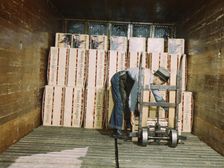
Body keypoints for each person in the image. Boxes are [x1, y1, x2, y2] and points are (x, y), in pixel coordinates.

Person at [109, 67, 170, 138]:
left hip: (129, 81)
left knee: (128, 102)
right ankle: (116, 130)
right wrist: (132, 113)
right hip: (120, 78)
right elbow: (133, 96)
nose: (160, 85)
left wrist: (168, 109)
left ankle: (129, 126)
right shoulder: (144, 78)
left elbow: (158, 97)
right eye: (161, 83)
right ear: (158, 78)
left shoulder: (152, 81)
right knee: (120, 103)